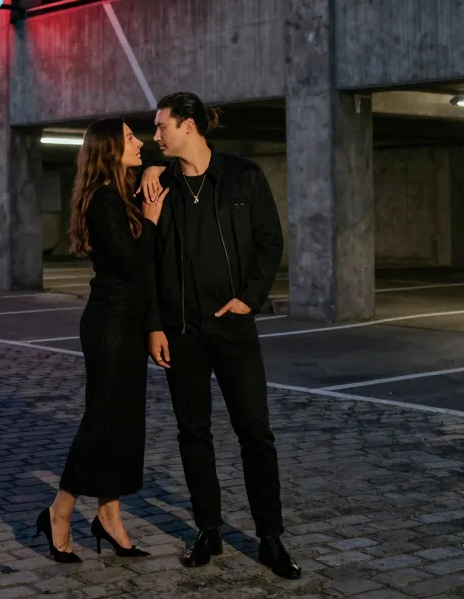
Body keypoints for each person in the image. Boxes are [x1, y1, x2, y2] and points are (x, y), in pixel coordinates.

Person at [139, 92, 301, 580]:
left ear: (188, 125)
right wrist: (153, 325)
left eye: (161, 126)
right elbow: (147, 262)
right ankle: (207, 529)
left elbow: (270, 241)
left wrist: (251, 297)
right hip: (181, 333)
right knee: (194, 434)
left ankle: (270, 537)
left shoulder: (243, 176)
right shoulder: (157, 185)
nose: (156, 135)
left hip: (233, 328)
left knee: (255, 432)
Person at [36, 118, 169, 563]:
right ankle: (59, 512)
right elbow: (133, 264)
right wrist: (151, 221)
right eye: (131, 138)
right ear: (110, 149)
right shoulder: (103, 200)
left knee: (124, 423)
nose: (142, 142)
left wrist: (151, 169)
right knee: (101, 423)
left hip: (128, 323)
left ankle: (109, 516)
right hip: (109, 324)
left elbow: (165, 162)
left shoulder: (122, 193)